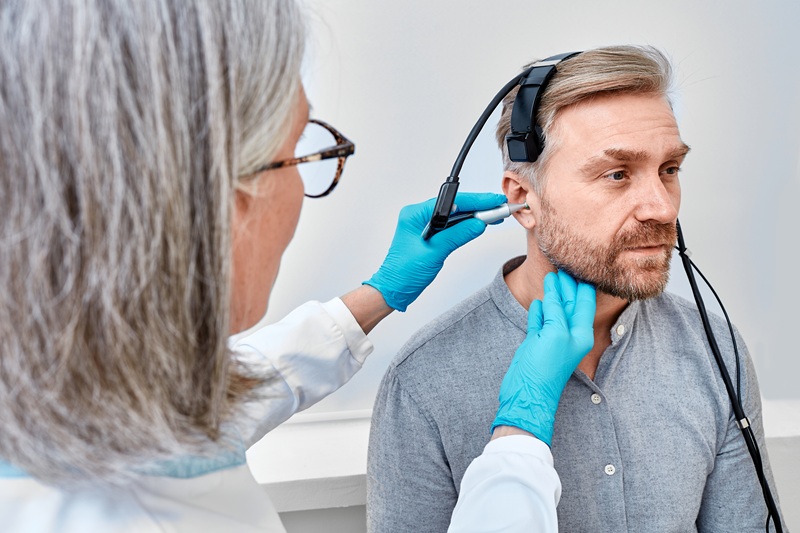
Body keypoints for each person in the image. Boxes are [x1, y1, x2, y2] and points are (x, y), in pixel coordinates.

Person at [0, 1, 592, 531]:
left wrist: (378, 293)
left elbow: (218, 390)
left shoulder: (75, 389)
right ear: (215, 198)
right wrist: (521, 434)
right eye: (302, 154)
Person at [367, 45, 786, 532]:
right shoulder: (424, 381)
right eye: (616, 174)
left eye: (669, 170)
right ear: (523, 199)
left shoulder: (714, 349)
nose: (662, 208)